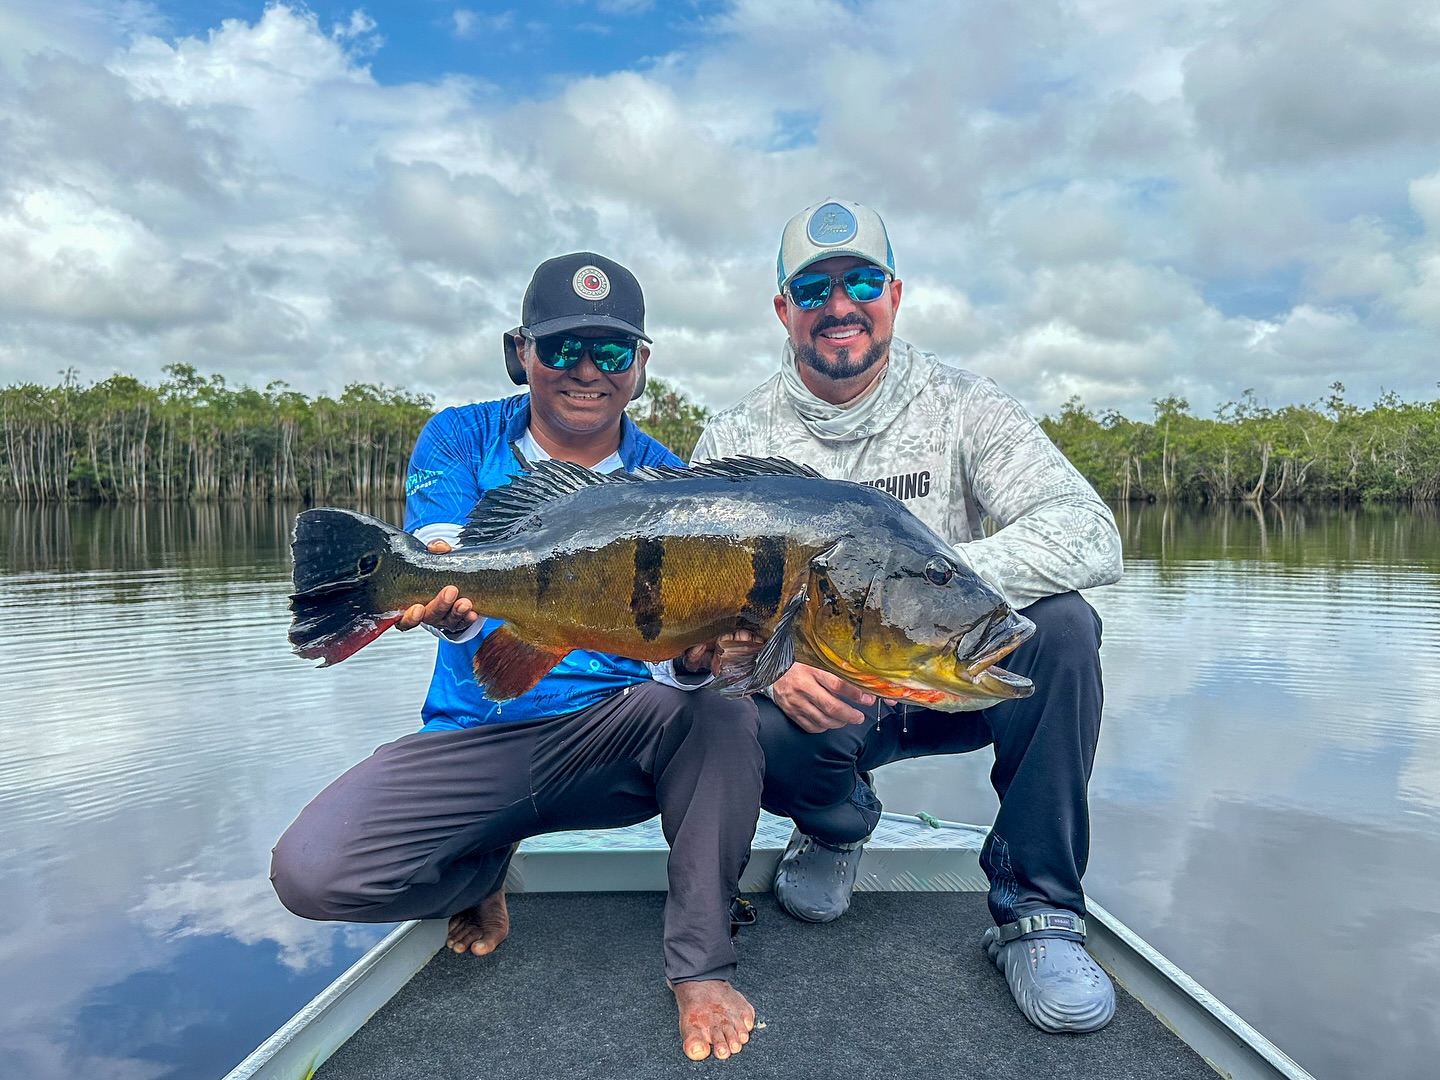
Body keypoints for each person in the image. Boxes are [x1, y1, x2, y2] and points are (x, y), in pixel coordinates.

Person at [271, 252, 762, 1062]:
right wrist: (448, 605)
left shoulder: (669, 480)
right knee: (312, 873)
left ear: (640, 366)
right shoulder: (460, 434)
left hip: (614, 735)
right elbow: (445, 549)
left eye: (611, 351)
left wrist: (701, 659)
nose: (586, 370)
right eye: (563, 346)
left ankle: (701, 966)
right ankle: (480, 871)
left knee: (719, 709)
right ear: (520, 352)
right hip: (476, 734)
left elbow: (670, 667)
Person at [691, 200, 1125, 1034]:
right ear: (784, 308)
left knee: (1064, 629)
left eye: (861, 280)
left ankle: (1038, 911)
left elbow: (1089, 531)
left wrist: (915, 590)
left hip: (949, 680)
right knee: (739, 707)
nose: (840, 304)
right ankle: (836, 827)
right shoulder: (738, 434)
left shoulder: (967, 406)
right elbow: (699, 622)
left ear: (895, 292)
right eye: (813, 288)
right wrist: (780, 671)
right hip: (832, 701)